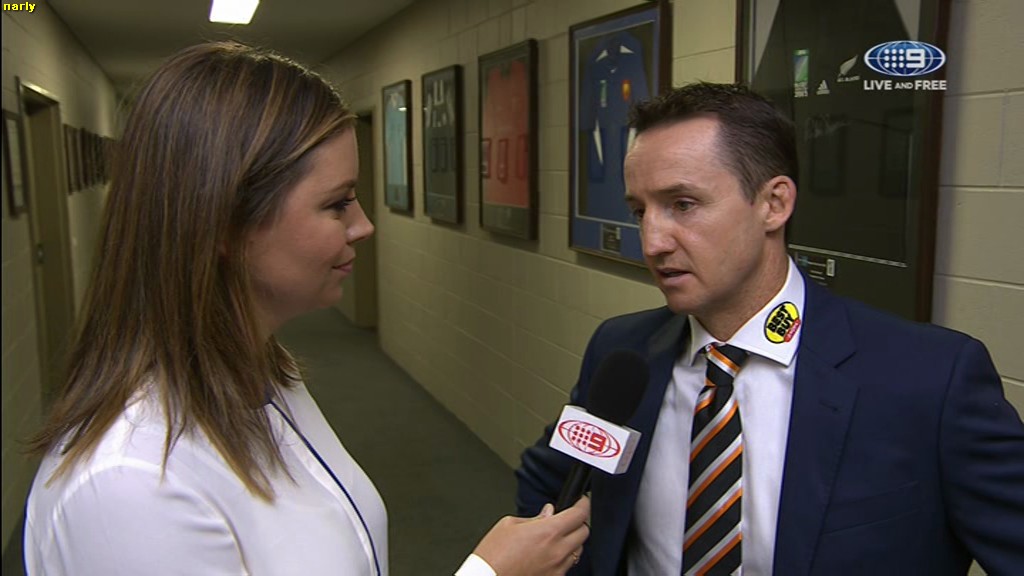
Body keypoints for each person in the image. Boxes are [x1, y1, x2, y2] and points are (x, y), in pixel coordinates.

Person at [24, 41, 589, 576]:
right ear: (225, 223)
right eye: (337, 203)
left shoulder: (264, 373)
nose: (363, 226)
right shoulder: (130, 484)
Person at [515, 82, 1024, 575]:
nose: (652, 242)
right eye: (639, 211)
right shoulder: (623, 352)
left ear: (774, 204)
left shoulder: (931, 379)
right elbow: (551, 490)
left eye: (683, 205)